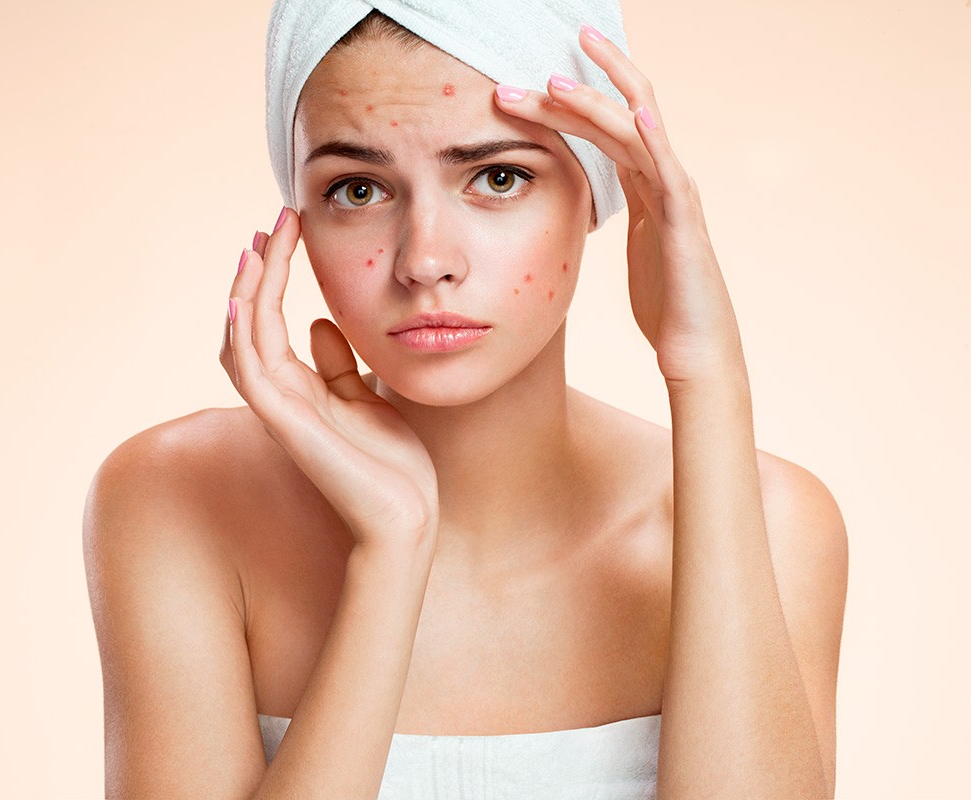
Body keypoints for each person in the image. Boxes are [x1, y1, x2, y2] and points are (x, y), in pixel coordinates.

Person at [83, 2, 849, 798]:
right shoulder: (178, 500)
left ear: (601, 189)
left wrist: (707, 376)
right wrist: (391, 557)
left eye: (497, 176)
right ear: (298, 217)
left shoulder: (774, 520)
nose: (426, 260)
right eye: (356, 188)